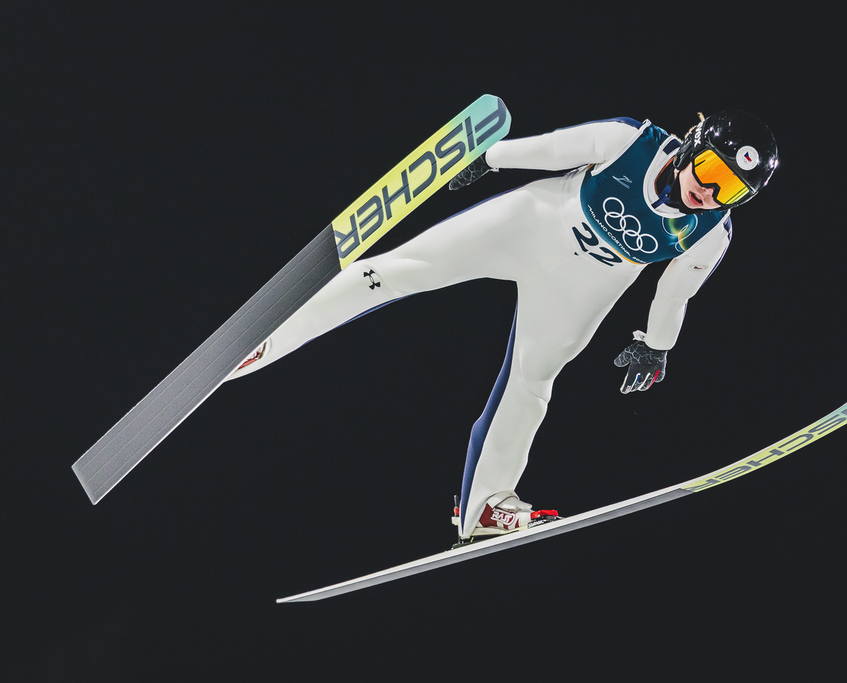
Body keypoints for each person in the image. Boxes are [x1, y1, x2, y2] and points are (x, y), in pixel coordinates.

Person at [228, 109, 778, 542]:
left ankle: (487, 505)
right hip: (527, 226)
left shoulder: (712, 232)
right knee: (395, 271)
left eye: (729, 190)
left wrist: (656, 346)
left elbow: (676, 292)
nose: (709, 193)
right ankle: (270, 337)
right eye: (710, 172)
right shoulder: (631, 141)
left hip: (583, 287)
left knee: (533, 384)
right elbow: (553, 149)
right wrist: (489, 159)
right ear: (692, 145)